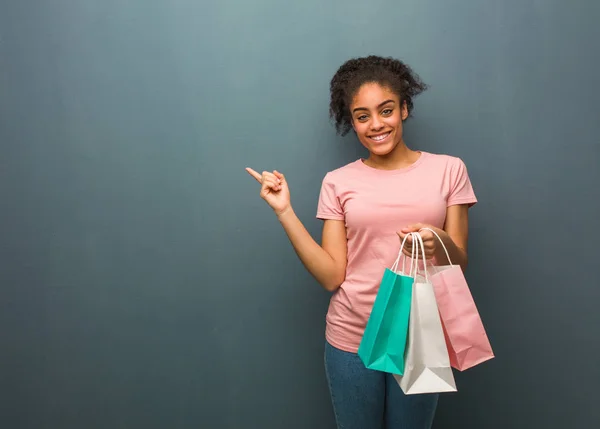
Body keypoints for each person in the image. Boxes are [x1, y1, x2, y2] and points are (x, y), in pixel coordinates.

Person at [246, 55, 477, 429]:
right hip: (351, 338)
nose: (376, 125)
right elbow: (331, 277)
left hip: (418, 336)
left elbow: (460, 261)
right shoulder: (338, 182)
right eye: (362, 116)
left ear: (403, 109)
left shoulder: (449, 170)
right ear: (351, 121)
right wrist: (284, 211)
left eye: (385, 110)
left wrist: (438, 240)